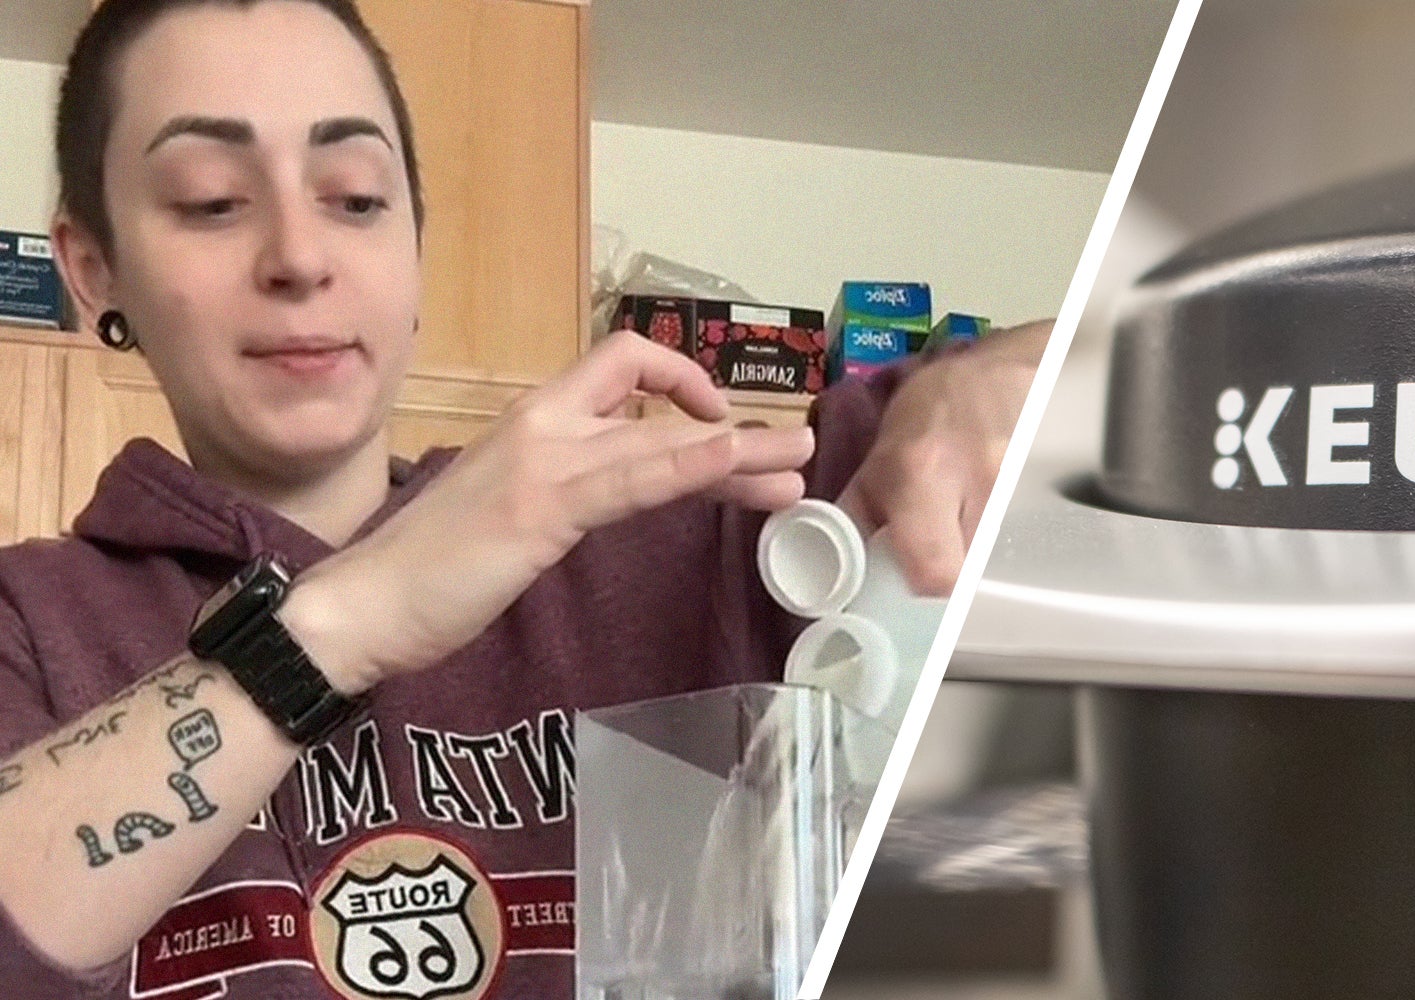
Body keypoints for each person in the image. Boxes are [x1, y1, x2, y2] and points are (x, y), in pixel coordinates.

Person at [0, 0, 1048, 996]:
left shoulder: (702, 532)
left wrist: (990, 378)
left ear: (413, 242)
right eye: (211, 201)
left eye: (357, 198)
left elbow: (1156, 349)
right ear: (94, 270)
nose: (301, 256)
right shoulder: (30, 626)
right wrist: (345, 619)